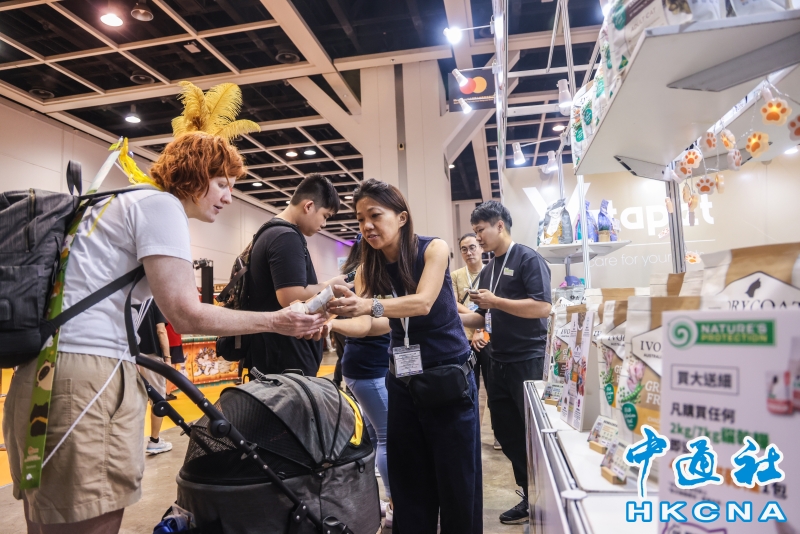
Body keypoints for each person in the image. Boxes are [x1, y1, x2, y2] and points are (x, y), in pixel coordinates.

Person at [3, 132, 326, 534]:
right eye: (222, 184)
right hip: (88, 380)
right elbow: (186, 314)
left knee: (47, 518)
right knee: (90, 516)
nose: (228, 198)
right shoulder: (160, 205)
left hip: (44, 371)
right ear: (195, 175)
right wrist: (276, 321)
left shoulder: (117, 203)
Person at [328, 179, 482, 534]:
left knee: (458, 483)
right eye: (360, 219)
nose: (367, 225)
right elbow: (368, 325)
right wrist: (331, 324)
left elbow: (423, 302)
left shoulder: (433, 249)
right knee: (408, 483)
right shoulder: (369, 268)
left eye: (375, 215)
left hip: (448, 379)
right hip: (402, 381)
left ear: (401, 217)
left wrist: (367, 304)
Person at [460, 200, 552, 525]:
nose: (477, 238)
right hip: (496, 361)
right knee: (506, 431)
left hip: (528, 359)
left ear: (499, 225)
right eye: (474, 232)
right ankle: (530, 494)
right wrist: (448, 312)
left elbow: (543, 307)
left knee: (534, 433)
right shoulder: (489, 270)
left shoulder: (528, 258)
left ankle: (545, 497)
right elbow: (480, 317)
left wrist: (496, 301)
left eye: (480, 230)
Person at [246, 174, 349, 377]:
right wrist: (330, 286)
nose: (324, 224)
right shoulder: (286, 237)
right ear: (309, 206)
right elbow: (290, 296)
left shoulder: (272, 233)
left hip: (276, 356)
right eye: (325, 216)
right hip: (285, 361)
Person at [328, 237, 394, 527]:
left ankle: (374, 501)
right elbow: (364, 326)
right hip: (367, 369)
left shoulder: (367, 277)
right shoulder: (362, 277)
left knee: (374, 439)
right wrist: (331, 323)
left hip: (367, 368)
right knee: (387, 438)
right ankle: (394, 504)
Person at [134, 300, 173, 454]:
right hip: (152, 357)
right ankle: (155, 441)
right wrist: (167, 359)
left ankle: (134, 442)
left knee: (137, 399)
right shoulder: (154, 300)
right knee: (157, 399)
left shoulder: (127, 298)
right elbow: (161, 330)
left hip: (130, 356)